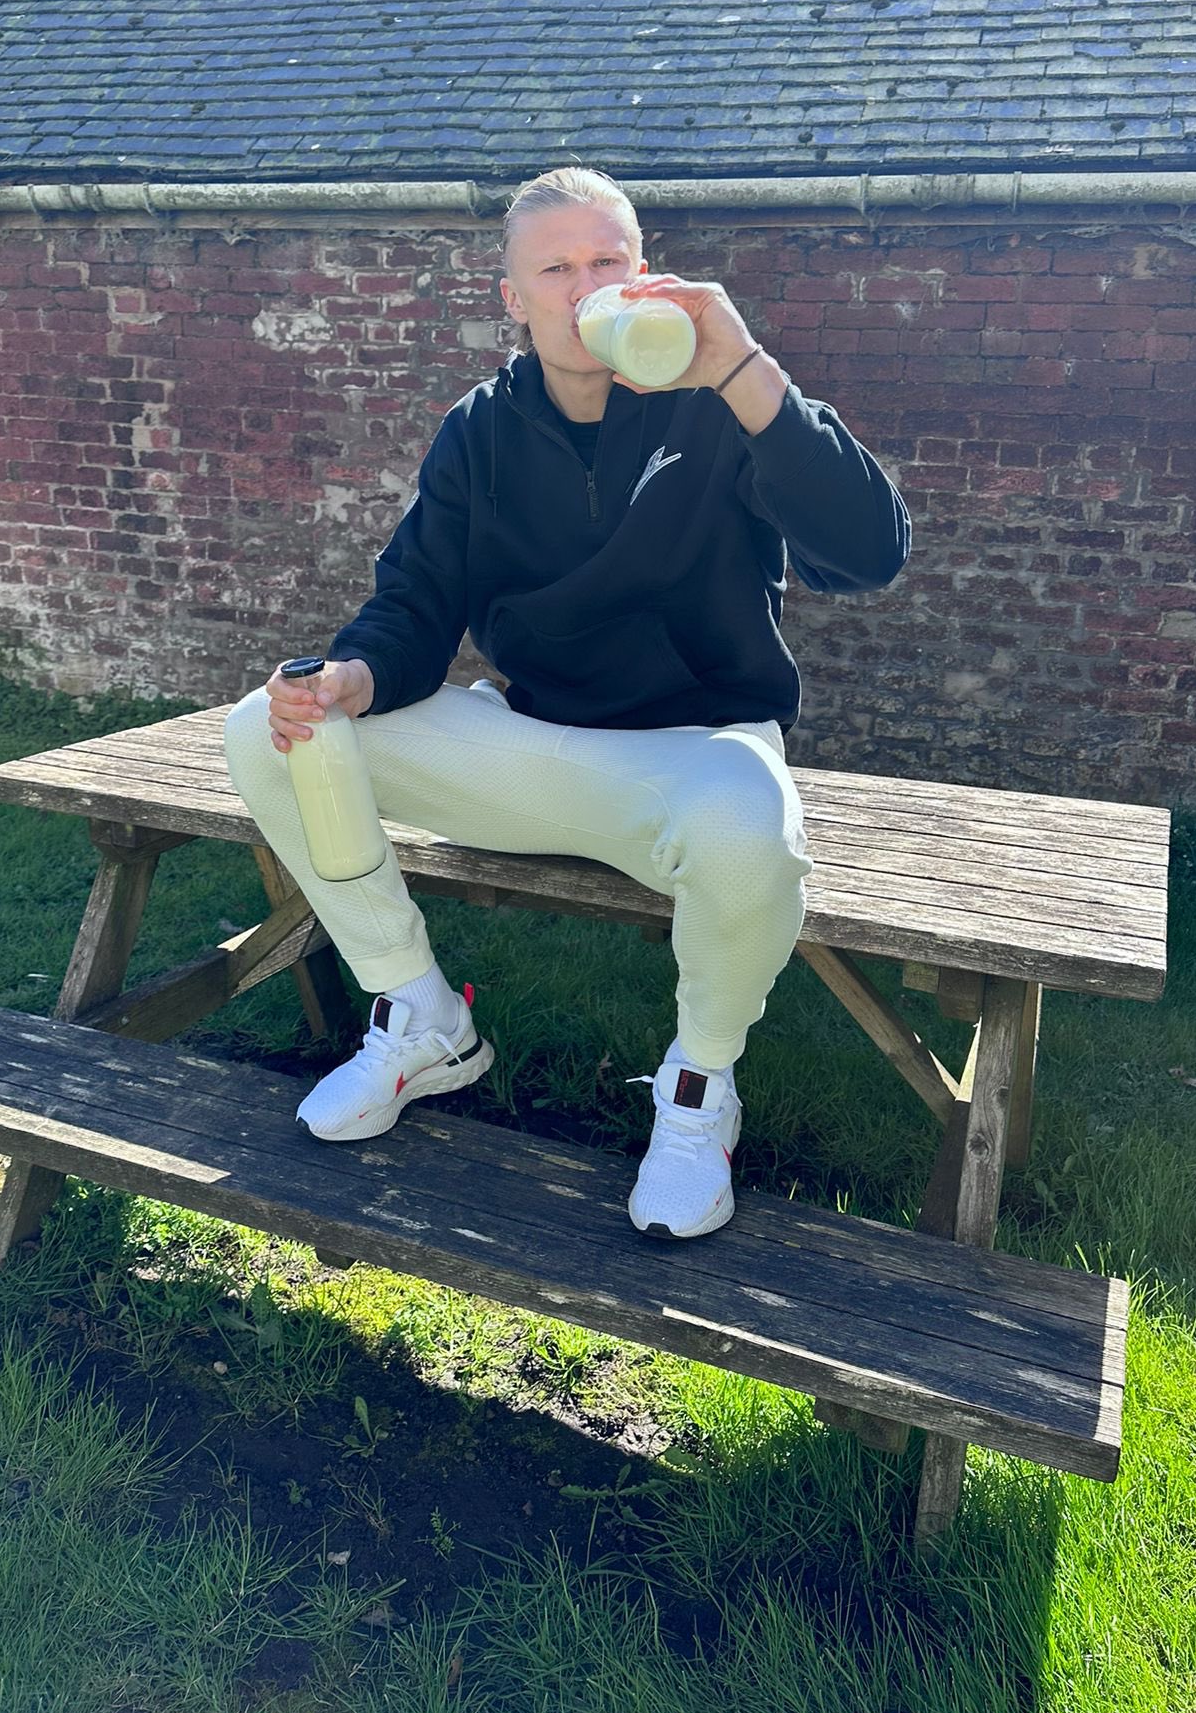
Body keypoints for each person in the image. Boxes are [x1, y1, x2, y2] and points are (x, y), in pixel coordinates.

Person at [223, 167, 910, 1240]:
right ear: (516, 297)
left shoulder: (722, 406)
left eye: (610, 261)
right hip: (534, 749)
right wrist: (354, 676)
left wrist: (743, 368)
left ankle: (697, 1090)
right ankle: (420, 1014)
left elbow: (870, 554)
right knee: (270, 730)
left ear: (645, 276)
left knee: (749, 826)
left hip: (694, 756)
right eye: (558, 266)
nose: (588, 284)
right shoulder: (479, 430)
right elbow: (414, 603)